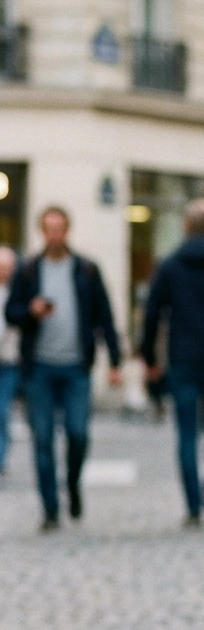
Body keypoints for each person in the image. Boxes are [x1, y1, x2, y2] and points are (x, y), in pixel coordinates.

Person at [5, 206, 121, 529]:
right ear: (42, 231)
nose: (54, 234)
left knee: (78, 434)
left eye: (59, 228)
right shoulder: (28, 270)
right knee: (42, 439)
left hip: (75, 367)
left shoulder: (86, 269)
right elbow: (11, 313)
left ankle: (72, 483)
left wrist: (114, 360)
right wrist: (31, 311)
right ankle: (50, 508)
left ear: (67, 230)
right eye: (48, 228)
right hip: (39, 368)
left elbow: (104, 315)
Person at [141, 198, 204, 526]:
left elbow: (152, 314)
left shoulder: (171, 265)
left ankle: (193, 504)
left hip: (182, 360)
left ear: (186, 226)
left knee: (186, 434)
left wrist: (149, 357)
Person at [0, 246, 20, 477]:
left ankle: (1, 457)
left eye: (7, 267)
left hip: (9, 360)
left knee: (2, 410)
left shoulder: (18, 291)